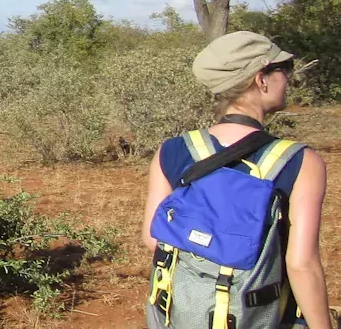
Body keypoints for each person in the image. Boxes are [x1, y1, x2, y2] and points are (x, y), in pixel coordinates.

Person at [141, 31, 330, 329]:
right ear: (261, 79)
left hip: (181, 315)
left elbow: (153, 237)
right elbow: (301, 264)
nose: (288, 78)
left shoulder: (173, 150)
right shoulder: (300, 161)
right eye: (283, 69)